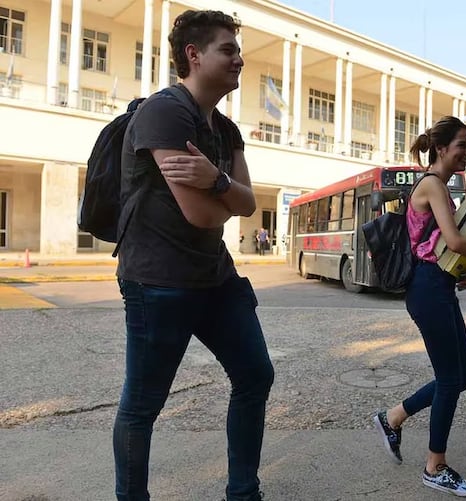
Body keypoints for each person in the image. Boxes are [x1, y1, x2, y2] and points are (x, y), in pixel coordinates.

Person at [114, 10, 273, 501]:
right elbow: (203, 215)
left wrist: (219, 181)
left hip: (214, 277)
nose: (239, 59)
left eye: (237, 50)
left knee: (255, 374)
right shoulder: (164, 112)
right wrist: (223, 193)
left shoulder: (224, 130)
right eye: (228, 49)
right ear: (193, 55)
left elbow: (246, 203)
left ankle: (242, 492)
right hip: (158, 282)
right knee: (143, 405)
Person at [373, 116, 466, 497]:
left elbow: (449, 247)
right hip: (428, 287)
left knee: (464, 377)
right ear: (441, 148)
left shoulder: (438, 185)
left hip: (438, 284)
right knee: (450, 378)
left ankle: (393, 417)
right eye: (462, 144)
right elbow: (455, 241)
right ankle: (434, 466)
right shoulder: (432, 184)